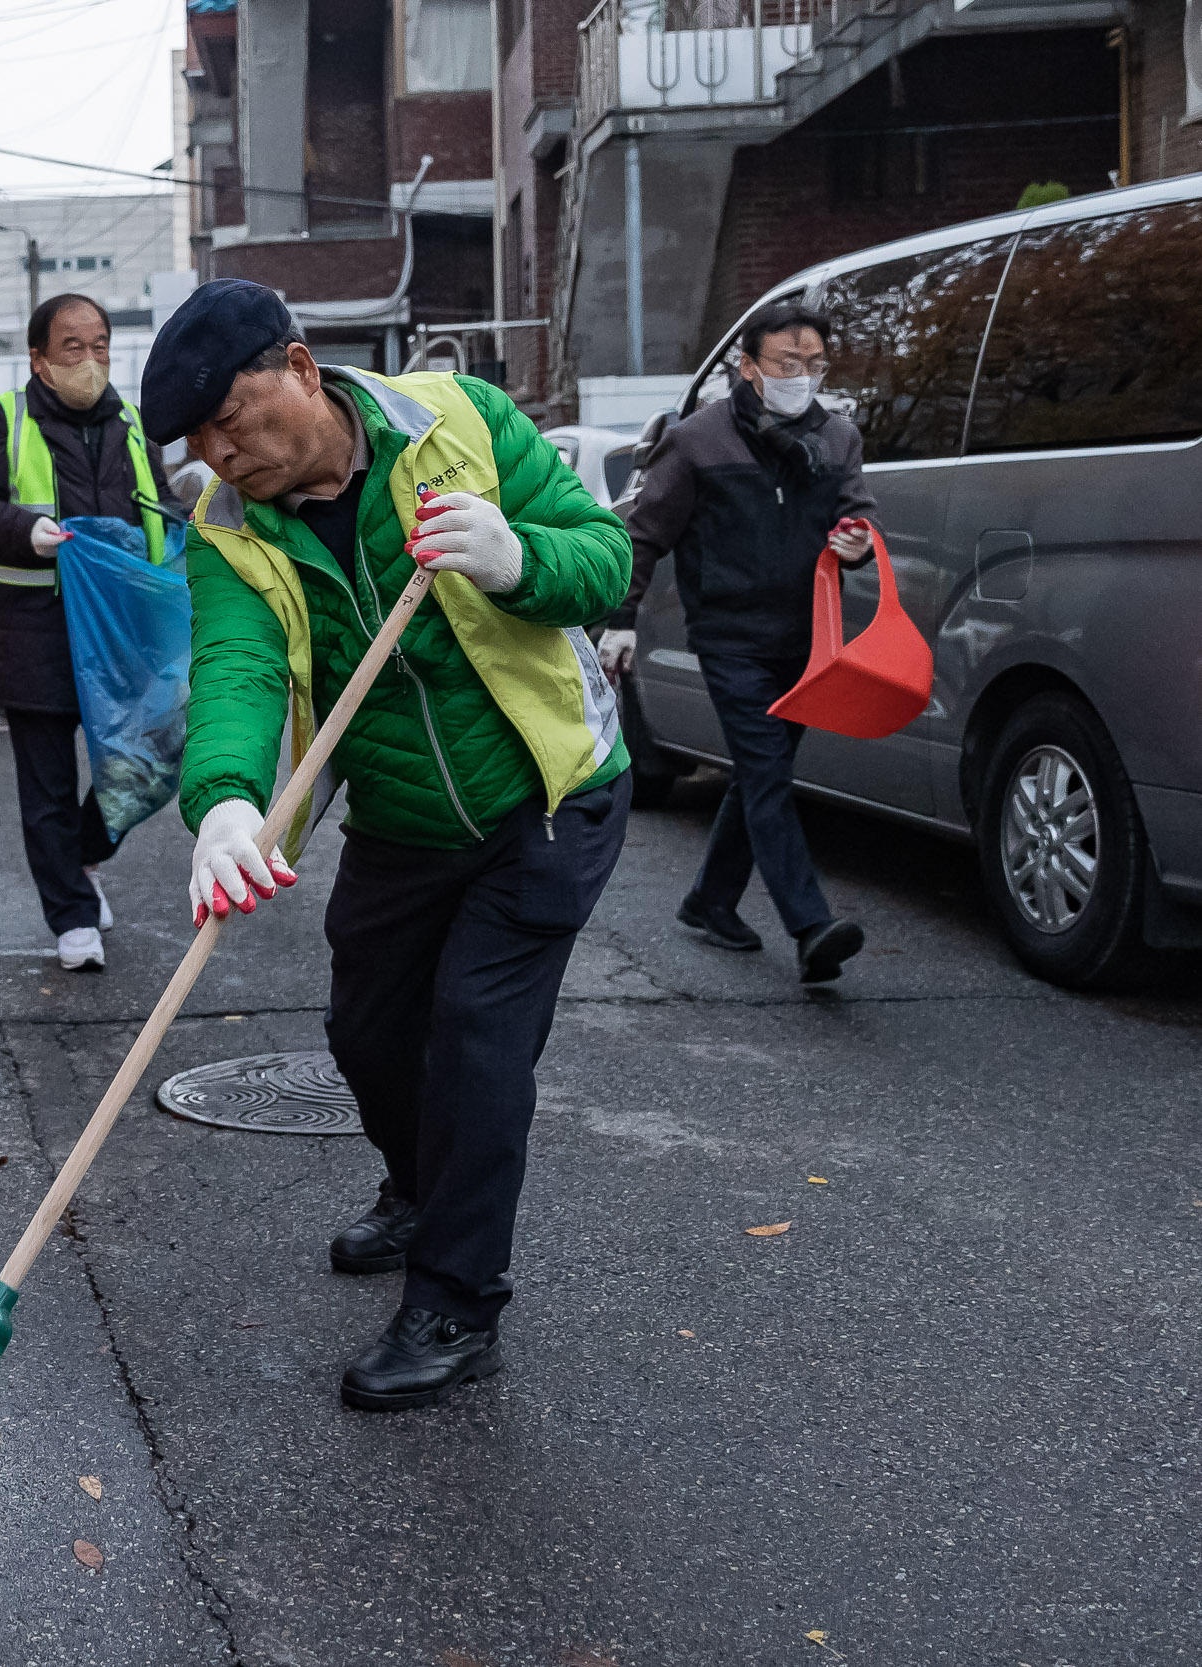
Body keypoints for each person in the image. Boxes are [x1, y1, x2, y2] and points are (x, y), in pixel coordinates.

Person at [147, 280, 631, 1412]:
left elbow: (602, 555)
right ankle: (420, 1186)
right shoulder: (227, 525)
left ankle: (456, 1302)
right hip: (405, 818)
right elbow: (236, 668)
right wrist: (222, 803)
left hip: (545, 799)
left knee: (473, 1039)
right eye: (197, 440)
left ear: (303, 369)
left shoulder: (458, 424)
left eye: (234, 417)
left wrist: (517, 560)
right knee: (367, 1033)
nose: (221, 453)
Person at [599, 300, 873, 984]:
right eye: (787, 363)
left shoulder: (836, 438)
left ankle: (710, 901)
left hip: (808, 640)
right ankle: (811, 926)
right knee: (768, 773)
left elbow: (858, 512)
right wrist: (623, 620)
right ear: (747, 366)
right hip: (729, 639)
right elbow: (645, 533)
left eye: (814, 365)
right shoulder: (696, 441)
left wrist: (858, 541)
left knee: (761, 773)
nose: (801, 376)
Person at [0, 292, 176, 972]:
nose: (89, 359)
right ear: (40, 358)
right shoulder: (3, 418)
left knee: (146, 761)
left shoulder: (134, 423)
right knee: (46, 787)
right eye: (72, 347)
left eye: (100, 344)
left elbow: (160, 503)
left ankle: (86, 856)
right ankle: (72, 916)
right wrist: (30, 532)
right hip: (36, 631)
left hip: (121, 633)